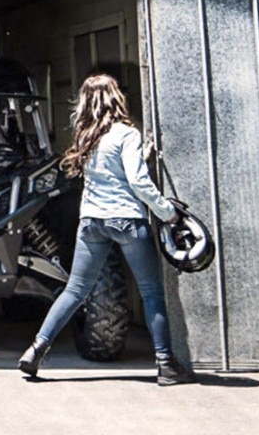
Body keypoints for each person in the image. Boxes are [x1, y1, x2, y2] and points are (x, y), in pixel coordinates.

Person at [18, 72, 196, 386]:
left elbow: (107, 172)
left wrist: (141, 157)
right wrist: (168, 213)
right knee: (152, 293)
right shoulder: (126, 133)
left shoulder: (86, 136)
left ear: (87, 102)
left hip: (91, 222)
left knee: (75, 291)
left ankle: (35, 350)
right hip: (126, 219)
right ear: (116, 97)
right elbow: (137, 182)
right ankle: (166, 366)